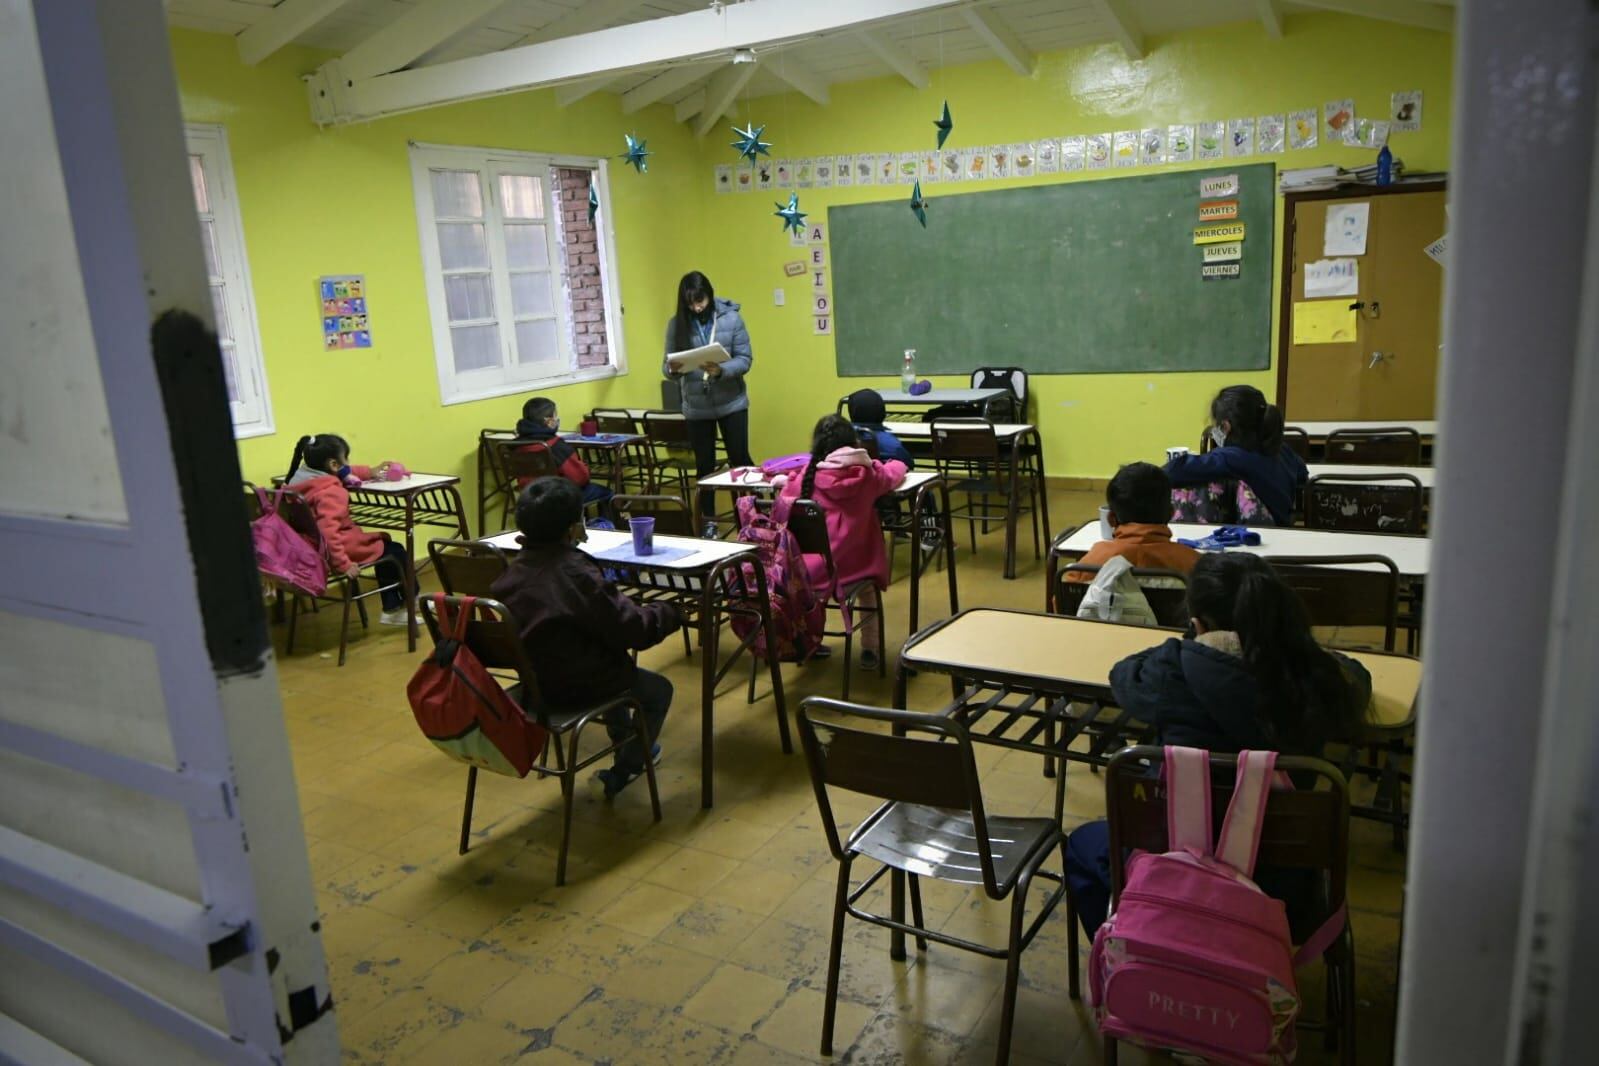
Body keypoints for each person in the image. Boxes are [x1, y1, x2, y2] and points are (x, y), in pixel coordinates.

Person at [1067, 552, 1372, 937]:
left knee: (1081, 844)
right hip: (1284, 894)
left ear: (1198, 623)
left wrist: (1186, 644)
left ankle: (1130, 945)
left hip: (1172, 872)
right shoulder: (1316, 679)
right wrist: (1302, 648)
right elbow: (1358, 679)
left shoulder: (1169, 672)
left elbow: (1123, 673)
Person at [489, 477, 680, 798]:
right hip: (579, 685)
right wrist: (669, 612)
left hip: (537, 686)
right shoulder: (575, 574)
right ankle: (629, 765)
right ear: (573, 526)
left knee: (604, 657)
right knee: (658, 690)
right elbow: (635, 630)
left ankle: (624, 742)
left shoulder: (514, 570)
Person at [777, 414, 908, 669]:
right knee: (868, 594)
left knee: (813, 595)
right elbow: (895, 472)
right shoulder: (867, 475)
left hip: (813, 574)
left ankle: (810, 642)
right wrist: (889, 464)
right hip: (856, 571)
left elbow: (785, 494)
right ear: (853, 443)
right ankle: (871, 650)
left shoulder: (807, 476)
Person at [284, 433, 412, 625]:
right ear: (333, 465)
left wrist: (370, 471)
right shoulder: (331, 493)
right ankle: (409, 601)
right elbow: (328, 532)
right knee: (395, 551)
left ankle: (393, 605)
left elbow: (344, 471)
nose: (347, 464)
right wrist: (343, 563)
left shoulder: (299, 479)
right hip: (337, 548)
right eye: (346, 460)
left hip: (308, 544)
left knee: (387, 547)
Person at [662, 271, 754, 537]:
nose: (697, 307)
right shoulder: (676, 324)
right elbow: (666, 367)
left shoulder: (731, 318)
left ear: (709, 294)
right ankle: (708, 523)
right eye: (690, 303)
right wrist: (673, 369)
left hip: (732, 402)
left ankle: (751, 516)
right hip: (696, 406)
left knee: (740, 460)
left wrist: (721, 370)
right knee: (705, 466)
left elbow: (745, 359)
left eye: (700, 300)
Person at [1164, 384, 1307, 525]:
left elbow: (1172, 471)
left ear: (1226, 426)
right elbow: (1302, 474)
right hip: (1286, 527)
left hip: (1263, 534)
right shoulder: (1282, 449)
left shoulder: (1230, 458)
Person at [1066, 463, 1200, 583]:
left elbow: (1061, 606)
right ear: (1171, 513)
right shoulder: (1195, 566)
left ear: (1111, 519)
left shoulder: (1086, 567)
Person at [513, 396, 611, 511]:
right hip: (558, 498)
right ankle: (605, 526)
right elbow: (580, 479)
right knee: (607, 493)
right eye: (555, 416)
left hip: (529, 497)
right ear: (549, 421)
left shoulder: (515, 444)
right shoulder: (555, 445)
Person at [845, 389, 914, 467]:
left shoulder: (842, 438)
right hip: (884, 478)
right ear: (882, 412)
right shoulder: (891, 443)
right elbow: (909, 464)